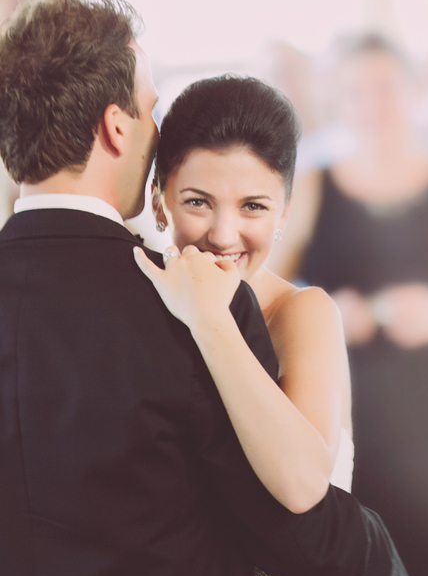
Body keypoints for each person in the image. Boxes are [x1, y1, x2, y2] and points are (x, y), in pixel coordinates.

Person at [0, 0, 408, 576]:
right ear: (117, 128)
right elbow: (300, 530)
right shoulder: (184, 305)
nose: (223, 233)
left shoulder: (269, 307)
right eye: (148, 109)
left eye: (253, 205)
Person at [271, 32, 428, 576]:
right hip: (352, 418)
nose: (374, 104)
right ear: (338, 99)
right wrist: (326, 315)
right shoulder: (310, 188)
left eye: (386, 88)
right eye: (356, 91)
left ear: (414, 92)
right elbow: (261, 300)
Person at [134, 74, 354, 527]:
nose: (223, 235)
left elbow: (302, 484)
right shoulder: (133, 308)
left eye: (253, 206)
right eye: (198, 202)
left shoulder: (304, 314)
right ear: (159, 202)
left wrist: (208, 317)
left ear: (284, 213)